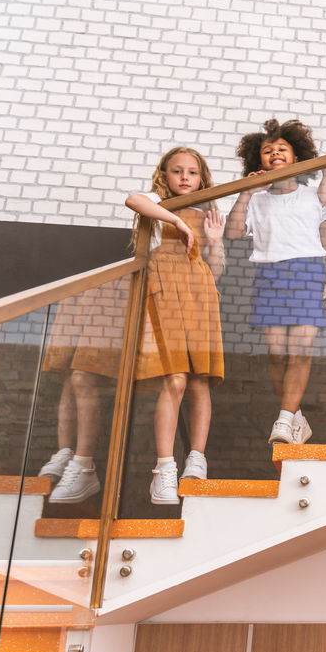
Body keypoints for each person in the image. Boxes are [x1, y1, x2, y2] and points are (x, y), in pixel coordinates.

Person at [227, 120, 326, 447]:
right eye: (267, 150)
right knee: (276, 353)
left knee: (300, 349)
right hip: (270, 274)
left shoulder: (312, 196)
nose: (275, 153)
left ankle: (284, 418)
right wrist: (246, 193)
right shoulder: (258, 200)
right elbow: (233, 232)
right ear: (258, 160)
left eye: (282, 149)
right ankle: (295, 416)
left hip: (308, 270)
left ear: (295, 156)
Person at [125, 147, 226, 505]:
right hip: (165, 289)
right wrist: (178, 221)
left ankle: (196, 458)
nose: (185, 177)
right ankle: (164, 468)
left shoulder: (210, 210)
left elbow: (214, 271)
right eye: (177, 171)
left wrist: (214, 243)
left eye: (193, 172)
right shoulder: (157, 203)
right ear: (165, 175)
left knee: (199, 381)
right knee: (176, 377)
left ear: (202, 178)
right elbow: (133, 199)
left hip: (200, 293)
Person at [36, 279, 128, 503]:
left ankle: (84, 464)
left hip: (117, 282)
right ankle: (66, 452)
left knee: (82, 373)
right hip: (86, 283)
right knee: (71, 373)